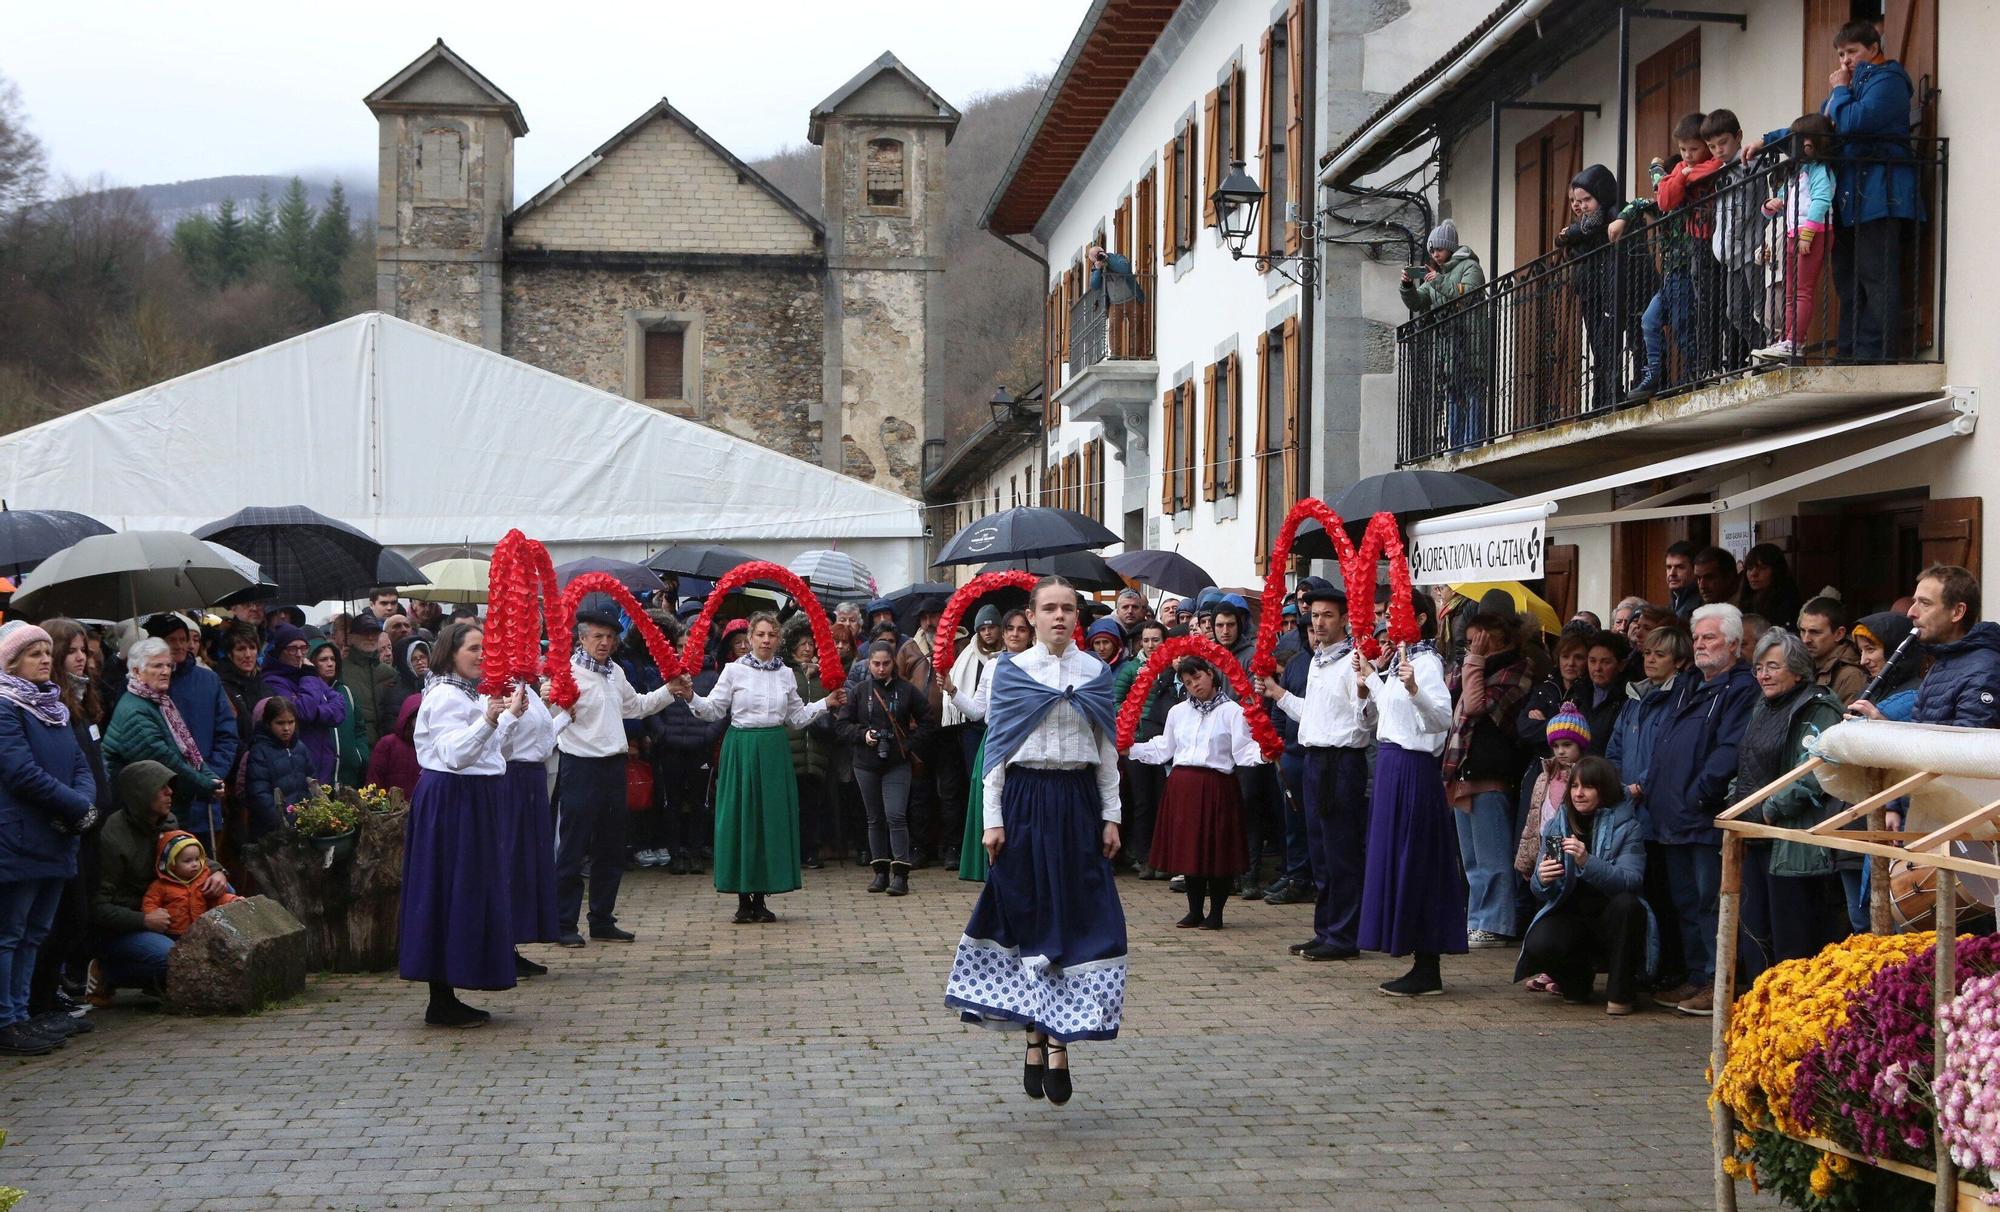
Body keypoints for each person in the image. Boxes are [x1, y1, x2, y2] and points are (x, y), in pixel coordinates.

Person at [944, 576, 1124, 1106]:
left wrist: (1111, 815)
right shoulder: (1010, 671)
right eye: (1050, 608)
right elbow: (996, 752)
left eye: (1068, 609)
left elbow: (1107, 749)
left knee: (1075, 918)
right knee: (1028, 916)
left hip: (1076, 802)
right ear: (1033, 614)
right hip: (1024, 802)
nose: (1060, 617)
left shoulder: (1095, 672)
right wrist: (992, 819)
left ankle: (1061, 1040)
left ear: (1077, 618)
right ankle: (1033, 1036)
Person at [1749, 20, 1923, 359]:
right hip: (1850, 200)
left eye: (1852, 52)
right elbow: (1819, 132)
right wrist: (1769, 139)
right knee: (1847, 282)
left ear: (1873, 49)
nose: (1845, 60)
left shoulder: (1888, 80)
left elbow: (1856, 121)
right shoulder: (1846, 89)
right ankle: (1849, 352)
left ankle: (1876, 355)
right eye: (1841, 54)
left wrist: (1841, 90)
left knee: (1876, 277)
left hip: (1881, 195)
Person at [673, 612, 846, 924]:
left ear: (779, 640)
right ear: (750, 638)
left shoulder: (785, 674)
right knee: (742, 818)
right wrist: (690, 697)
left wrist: (826, 703)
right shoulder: (733, 671)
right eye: (761, 635)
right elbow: (713, 710)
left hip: (774, 749)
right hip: (741, 747)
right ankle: (743, 897)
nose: (766, 640)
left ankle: (762, 896)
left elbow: (796, 717)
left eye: (771, 635)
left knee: (770, 820)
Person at [401, 621, 526, 1028]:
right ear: (450, 651)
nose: (482, 656)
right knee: (446, 891)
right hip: (454, 799)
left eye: (485, 649)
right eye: (473, 648)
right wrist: (492, 721)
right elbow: (455, 754)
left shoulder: (465, 694)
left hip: (471, 797)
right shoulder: (445, 696)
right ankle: (440, 997)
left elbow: (489, 751)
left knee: (462, 891)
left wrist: (505, 718)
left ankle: (449, 988)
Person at [1645, 603, 1758, 1017]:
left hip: (1703, 814)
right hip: (1672, 816)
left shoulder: (1741, 688)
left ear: (1733, 642)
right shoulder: (1690, 683)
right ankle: (1696, 976)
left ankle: (1718, 982)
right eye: (1696, 638)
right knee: (1686, 902)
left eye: (1709, 638)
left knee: (1713, 903)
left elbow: (1730, 749)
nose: (1700, 646)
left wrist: (1699, 794)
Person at [548, 596, 679, 946]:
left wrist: (668, 691)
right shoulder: (566, 673)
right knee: (573, 848)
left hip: (612, 766)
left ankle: (602, 918)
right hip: (580, 766)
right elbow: (549, 719)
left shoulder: (615, 672)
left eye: (610, 637)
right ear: (581, 638)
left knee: (611, 847)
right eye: (598, 636)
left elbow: (635, 706)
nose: (605, 643)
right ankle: (563, 923)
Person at [1355, 595, 1464, 995]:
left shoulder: (1428, 663)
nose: (1387, 621)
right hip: (1390, 765)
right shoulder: (1400, 659)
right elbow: (1387, 717)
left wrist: (1415, 687)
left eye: (1394, 614)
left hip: (1412, 770)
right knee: (1396, 859)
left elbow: (1441, 718)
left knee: (1415, 861)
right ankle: (1416, 956)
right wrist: (1370, 678)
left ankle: (1427, 963)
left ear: (1419, 617)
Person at [1259, 584, 1371, 960]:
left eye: (1327, 616)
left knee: (1341, 852)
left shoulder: (1353, 661)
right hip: (1315, 760)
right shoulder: (1319, 660)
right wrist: (1276, 693)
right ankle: (1326, 929)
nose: (1319, 623)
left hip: (1341, 763)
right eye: (1315, 616)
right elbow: (1313, 714)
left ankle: (1344, 935)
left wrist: (1363, 687)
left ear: (1344, 620)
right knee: (1320, 851)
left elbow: (1365, 718)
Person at [0, 624, 97, 1055]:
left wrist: (83, 802)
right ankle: (7, 1019)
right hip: (21, 835)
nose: (44, 659)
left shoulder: (54, 707)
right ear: (10, 663)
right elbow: (20, 772)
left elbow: (79, 764)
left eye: (45, 652)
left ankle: (23, 1014)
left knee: (36, 931)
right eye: (33, 654)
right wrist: (76, 807)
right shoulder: (6, 707)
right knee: (11, 932)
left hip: (58, 836)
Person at [1733, 630, 1844, 983]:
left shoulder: (1818, 707)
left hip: (1793, 844)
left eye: (1773, 667)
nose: (1763, 675)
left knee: (1791, 946)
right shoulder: (1761, 706)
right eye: (1759, 667)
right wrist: (1735, 804)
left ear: (1797, 670)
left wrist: (1770, 809)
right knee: (1755, 940)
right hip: (1755, 835)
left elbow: (1815, 770)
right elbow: (1747, 764)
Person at [1129, 654, 1264, 930]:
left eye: (1198, 677)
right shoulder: (1178, 713)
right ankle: (1194, 910)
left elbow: (1243, 750)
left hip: (1217, 785)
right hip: (1182, 785)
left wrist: (1267, 752)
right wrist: (1130, 749)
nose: (1194, 685)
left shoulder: (1233, 712)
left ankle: (1216, 913)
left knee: (1216, 851)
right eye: (1188, 682)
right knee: (1189, 849)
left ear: (1211, 674)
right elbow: (1164, 748)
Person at [1516, 756, 1654, 1015]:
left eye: (1588, 787)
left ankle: (1620, 993)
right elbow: (1545, 889)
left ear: (1604, 789)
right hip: (1573, 917)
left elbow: (1631, 880)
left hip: (1610, 917)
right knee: (1540, 942)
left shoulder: (1627, 826)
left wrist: (1587, 862)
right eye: (1574, 786)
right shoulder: (1558, 825)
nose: (1579, 793)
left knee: (1628, 906)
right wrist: (1542, 879)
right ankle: (1575, 983)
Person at [27, 618, 110, 1031]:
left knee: (77, 916)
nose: (83, 657)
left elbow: (90, 764)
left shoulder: (82, 701)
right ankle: (38, 998)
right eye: (73, 650)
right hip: (68, 825)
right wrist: (80, 806)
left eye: (86, 650)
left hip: (92, 823)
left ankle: (49, 990)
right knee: (61, 919)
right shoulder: (46, 705)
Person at [88, 761, 218, 1011]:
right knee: (170, 957)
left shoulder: (166, 820)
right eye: (162, 788)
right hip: (127, 925)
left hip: (166, 907)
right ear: (141, 793)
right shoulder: (113, 837)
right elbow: (98, 907)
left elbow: (186, 855)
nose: (170, 793)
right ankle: (108, 972)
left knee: (224, 891)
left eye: (170, 786)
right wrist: (143, 920)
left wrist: (216, 871)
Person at [1606, 626, 1693, 989]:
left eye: (1660, 654)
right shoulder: (1633, 700)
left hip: (1659, 811)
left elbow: (1668, 753)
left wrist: (1641, 783)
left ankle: (1672, 968)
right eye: (1647, 653)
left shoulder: (1680, 700)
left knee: (1668, 895)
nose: (1651, 660)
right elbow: (1614, 749)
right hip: (1629, 812)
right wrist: (1613, 785)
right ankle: (1644, 965)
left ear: (1678, 661)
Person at [1615, 113, 1723, 398]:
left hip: (1687, 265)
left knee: (1682, 322)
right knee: (1650, 320)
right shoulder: (1676, 184)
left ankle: (1696, 372)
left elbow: (1662, 190)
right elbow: (1655, 197)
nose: (1687, 158)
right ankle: (1655, 375)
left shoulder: (1697, 181)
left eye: (1692, 150)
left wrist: (1660, 170)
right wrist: (1624, 216)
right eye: (1683, 152)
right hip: (1671, 272)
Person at [1443, 611, 1532, 951]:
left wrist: (1476, 661)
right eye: (1469, 641)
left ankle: (1496, 923)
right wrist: (1471, 661)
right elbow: (1454, 691)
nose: (1473, 646)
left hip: (1491, 771)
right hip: (1463, 769)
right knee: (1471, 859)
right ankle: (1478, 918)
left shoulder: (1517, 670)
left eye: (1479, 640)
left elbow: (1477, 705)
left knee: (1492, 856)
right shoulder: (1473, 666)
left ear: (1500, 638)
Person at [105, 637, 230, 848]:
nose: (166, 671)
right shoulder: (135, 710)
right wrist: (206, 784)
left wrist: (209, 775)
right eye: (157, 665)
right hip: (143, 814)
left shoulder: (158, 701)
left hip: (161, 808)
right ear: (136, 671)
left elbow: (187, 749)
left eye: (168, 665)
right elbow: (166, 760)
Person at [838, 640, 934, 897]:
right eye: (876, 664)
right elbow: (842, 725)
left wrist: (908, 744)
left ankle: (900, 873)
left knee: (896, 816)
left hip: (897, 762)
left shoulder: (906, 690)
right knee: (874, 818)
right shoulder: (859, 691)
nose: (881, 669)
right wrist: (863, 735)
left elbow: (928, 719)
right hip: (865, 762)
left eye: (886, 664)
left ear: (894, 663)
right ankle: (879, 871)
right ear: (868, 664)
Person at [1854, 565, 2000, 729]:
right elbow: (1924, 737)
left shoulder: (1984, 670)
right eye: (1914, 601)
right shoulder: (1943, 661)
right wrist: (1884, 726)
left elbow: (1966, 750)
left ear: (1957, 612)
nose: (1911, 612)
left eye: (1924, 603)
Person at [953, 608, 1037, 883]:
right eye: (1010, 628)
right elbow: (978, 711)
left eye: (1021, 629)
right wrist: (952, 692)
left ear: (1031, 633)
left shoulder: (1039, 664)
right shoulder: (992, 665)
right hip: (993, 740)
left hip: (1025, 740)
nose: (1015, 634)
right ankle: (989, 865)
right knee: (989, 797)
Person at [142, 614, 238, 855]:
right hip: (162, 797)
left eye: (183, 639)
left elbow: (226, 733)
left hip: (203, 797)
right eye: (170, 640)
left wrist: (212, 775)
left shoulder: (207, 680)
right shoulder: (142, 685)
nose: (179, 645)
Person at [1750, 114, 1837, 362]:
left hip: (1812, 234)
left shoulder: (1820, 170)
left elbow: (1822, 200)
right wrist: (1769, 205)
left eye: (1810, 142)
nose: (1804, 147)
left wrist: (1807, 235)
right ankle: (1788, 339)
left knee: (1802, 291)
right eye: (1801, 142)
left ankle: (1795, 340)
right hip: (1793, 234)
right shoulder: (1797, 172)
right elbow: (1776, 206)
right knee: (1791, 292)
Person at [1400, 219, 1488, 447]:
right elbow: (1417, 302)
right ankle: (1455, 445)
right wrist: (1408, 287)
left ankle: (1472, 443)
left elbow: (1468, 294)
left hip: (1472, 341)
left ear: (1450, 247)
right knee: (1454, 394)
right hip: (1449, 347)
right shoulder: (1434, 276)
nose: (1435, 254)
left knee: (1472, 390)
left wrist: (1438, 282)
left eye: (1439, 249)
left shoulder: (1470, 267)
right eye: (1432, 251)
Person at [496, 680, 560, 977]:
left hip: (534, 777)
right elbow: (499, 745)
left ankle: (513, 943)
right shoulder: (500, 686)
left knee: (529, 862)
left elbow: (542, 743)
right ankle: (501, 947)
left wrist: (567, 716)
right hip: (513, 779)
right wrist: (512, 714)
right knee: (512, 860)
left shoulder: (529, 688)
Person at [941, 605, 1006, 880]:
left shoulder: (1019, 660)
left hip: (1009, 734)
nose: (988, 632)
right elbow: (977, 708)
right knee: (981, 788)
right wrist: (952, 690)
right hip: (977, 732)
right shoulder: (972, 658)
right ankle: (984, 852)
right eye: (983, 628)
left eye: (993, 626)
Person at [1702, 109, 1770, 364]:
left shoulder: (1751, 164)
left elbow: (1747, 199)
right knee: (1735, 312)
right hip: (1731, 255)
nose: (1718, 150)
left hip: (1753, 249)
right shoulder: (1720, 171)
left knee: (1761, 308)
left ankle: (1771, 352)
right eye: (1712, 146)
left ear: (1738, 136)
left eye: (1723, 143)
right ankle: (1763, 349)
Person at [1556, 165, 1624, 411]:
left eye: (1585, 200)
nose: (1579, 205)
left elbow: (1584, 235)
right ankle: (1602, 396)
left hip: (1604, 285)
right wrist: (1568, 237)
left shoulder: (1601, 218)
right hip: (1588, 290)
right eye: (1575, 200)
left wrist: (1571, 235)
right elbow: (1565, 243)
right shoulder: (1583, 224)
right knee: (1598, 344)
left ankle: (1611, 393)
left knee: (1607, 341)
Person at [257, 624, 346, 785]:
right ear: (279, 651)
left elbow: (339, 706)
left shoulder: (307, 674)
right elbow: (302, 711)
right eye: (292, 649)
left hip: (323, 760)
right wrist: (309, 679)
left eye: (303, 648)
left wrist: (317, 713)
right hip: (295, 764)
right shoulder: (273, 680)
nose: (299, 654)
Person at [139, 832, 238, 938]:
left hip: (200, 929)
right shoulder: (161, 886)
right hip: (172, 933)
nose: (195, 864)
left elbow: (216, 899)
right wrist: (154, 914)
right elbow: (149, 903)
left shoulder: (203, 879)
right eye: (187, 861)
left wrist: (232, 901)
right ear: (172, 864)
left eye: (197, 859)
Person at [242, 698, 312, 840]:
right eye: (280, 723)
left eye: (291, 722)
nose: (286, 728)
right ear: (268, 723)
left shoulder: (300, 748)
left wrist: (310, 814)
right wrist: (282, 823)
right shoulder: (259, 751)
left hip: (303, 824)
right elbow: (259, 794)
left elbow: (311, 782)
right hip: (272, 832)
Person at [310, 638, 369, 787]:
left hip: (349, 777)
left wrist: (359, 757)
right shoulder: (308, 695)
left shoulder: (346, 692)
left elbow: (360, 729)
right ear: (312, 663)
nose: (330, 664)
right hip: (320, 778)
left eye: (333, 659)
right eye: (323, 659)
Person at [1850, 611, 1924, 721]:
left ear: (1894, 649)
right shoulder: (1870, 690)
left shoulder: (1919, 695)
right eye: (1861, 651)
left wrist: (1881, 722)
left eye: (1870, 649)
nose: (1863, 661)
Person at [338, 614, 395, 756]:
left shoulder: (388, 672)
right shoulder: (340, 671)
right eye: (364, 633)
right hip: (358, 747)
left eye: (374, 633)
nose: (370, 637)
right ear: (350, 637)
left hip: (386, 746)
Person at [1797, 597, 1866, 706]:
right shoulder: (1801, 666)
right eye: (1802, 631)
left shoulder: (1851, 676)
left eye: (1815, 632)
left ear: (1839, 634)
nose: (1805, 640)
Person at [365, 696, 423, 799]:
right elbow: (373, 782)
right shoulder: (387, 744)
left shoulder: (436, 748)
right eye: (418, 717)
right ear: (409, 719)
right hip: (390, 811)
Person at [1737, 544, 1802, 630]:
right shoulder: (1745, 601)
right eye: (1749, 568)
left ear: (1777, 571)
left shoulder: (1789, 605)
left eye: (1762, 568)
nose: (1753, 574)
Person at [380, 636, 430, 732]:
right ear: (405, 662)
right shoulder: (395, 691)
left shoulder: (437, 685)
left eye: (422, 657)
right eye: (414, 659)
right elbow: (392, 725)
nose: (420, 662)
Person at [1665, 541, 1700, 621]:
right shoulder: (1670, 607)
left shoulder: (1702, 607)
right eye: (1669, 567)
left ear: (1695, 570)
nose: (1672, 573)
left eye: (1680, 567)